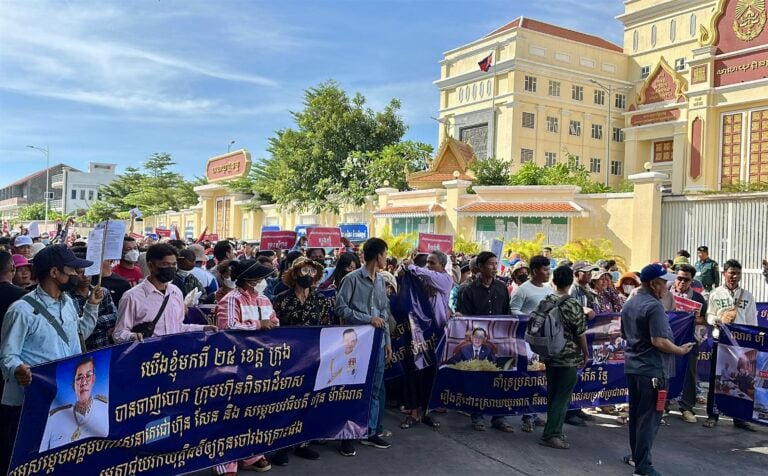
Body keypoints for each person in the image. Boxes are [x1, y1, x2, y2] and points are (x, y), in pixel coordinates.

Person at [0, 245, 102, 475]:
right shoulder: (21, 310)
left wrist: (92, 306)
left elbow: (77, 336)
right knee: (30, 461)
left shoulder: (67, 303)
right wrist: (18, 369)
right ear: (55, 273)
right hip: (32, 402)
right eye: (72, 270)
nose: (78, 275)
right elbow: (8, 354)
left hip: (65, 398)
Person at [621, 263, 694, 476]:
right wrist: (680, 351)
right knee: (649, 419)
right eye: (664, 283)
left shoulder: (630, 303)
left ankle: (637, 457)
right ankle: (643, 466)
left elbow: (625, 335)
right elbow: (659, 341)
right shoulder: (654, 306)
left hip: (634, 367)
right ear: (654, 284)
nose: (666, 287)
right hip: (652, 370)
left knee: (637, 415)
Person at [213, 259, 276, 475]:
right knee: (230, 413)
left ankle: (251, 455)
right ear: (249, 280)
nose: (263, 282)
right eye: (259, 278)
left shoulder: (265, 300)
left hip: (260, 365)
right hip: (234, 365)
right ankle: (225, 462)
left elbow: (275, 324)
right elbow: (227, 328)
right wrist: (258, 325)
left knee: (255, 411)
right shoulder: (232, 299)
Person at [335, 237, 392, 456]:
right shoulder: (351, 279)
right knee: (351, 390)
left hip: (377, 344)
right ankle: (346, 436)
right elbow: (341, 308)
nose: (386, 258)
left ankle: (369, 433)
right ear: (377, 255)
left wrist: (387, 342)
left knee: (374, 389)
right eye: (385, 254)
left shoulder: (381, 281)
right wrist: (367, 318)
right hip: (354, 344)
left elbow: (384, 314)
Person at [457, 252, 514, 432]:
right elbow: (464, 318)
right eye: (490, 264)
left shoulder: (502, 288)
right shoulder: (468, 290)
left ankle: (499, 417)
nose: (494, 267)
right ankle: (477, 416)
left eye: (496, 264)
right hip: (478, 343)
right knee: (479, 379)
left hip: (499, 342)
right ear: (480, 267)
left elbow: (507, 314)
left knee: (500, 379)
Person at [113, 244, 216, 343]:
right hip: (145, 357)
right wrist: (132, 336)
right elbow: (118, 333)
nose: (171, 268)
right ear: (151, 266)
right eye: (165, 264)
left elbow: (178, 327)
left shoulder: (176, 292)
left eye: (174, 264)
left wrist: (203, 328)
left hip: (170, 357)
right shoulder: (132, 297)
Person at [397, 250, 452, 430]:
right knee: (414, 372)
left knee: (431, 374)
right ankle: (413, 413)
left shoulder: (445, 280)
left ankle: (426, 412)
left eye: (432, 262)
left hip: (436, 335)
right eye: (427, 262)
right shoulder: (422, 279)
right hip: (418, 334)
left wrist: (411, 267)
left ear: (442, 266)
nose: (428, 266)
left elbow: (425, 274)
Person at [704, 259, 758, 431]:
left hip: (741, 344)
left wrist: (752, 340)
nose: (734, 276)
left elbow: (752, 321)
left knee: (742, 382)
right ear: (724, 273)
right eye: (731, 272)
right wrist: (715, 320)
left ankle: (740, 418)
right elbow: (709, 314)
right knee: (717, 379)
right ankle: (713, 415)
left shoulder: (748, 296)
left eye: (737, 273)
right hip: (721, 341)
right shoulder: (715, 293)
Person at [540, 266, 589, 450]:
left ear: (554, 281)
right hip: (567, 356)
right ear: (570, 282)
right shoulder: (573, 304)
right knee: (562, 396)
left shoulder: (547, 299)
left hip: (549, 353)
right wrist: (585, 352)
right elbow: (580, 332)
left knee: (553, 394)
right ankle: (551, 434)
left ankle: (554, 429)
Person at [509, 255, 552, 433]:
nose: (548, 273)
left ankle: (534, 413)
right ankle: (526, 415)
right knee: (528, 378)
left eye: (549, 269)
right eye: (545, 269)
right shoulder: (522, 290)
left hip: (544, 341)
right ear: (535, 271)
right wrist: (531, 318)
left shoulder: (549, 289)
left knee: (541, 377)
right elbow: (513, 309)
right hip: (526, 342)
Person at [39, 356, 109, 451]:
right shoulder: (54, 417)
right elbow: (42, 455)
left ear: (93, 379)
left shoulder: (106, 408)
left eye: (88, 376)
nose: (83, 382)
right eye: (79, 378)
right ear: (73, 385)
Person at [668, 264, 707, 424]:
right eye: (679, 278)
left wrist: (699, 320)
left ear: (692, 281)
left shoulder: (698, 299)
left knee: (689, 374)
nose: (682, 282)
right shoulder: (665, 293)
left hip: (690, 341)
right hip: (667, 341)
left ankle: (687, 408)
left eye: (686, 279)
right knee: (665, 373)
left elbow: (704, 323)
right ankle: (662, 405)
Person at [273, 257, 332, 327]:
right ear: (295, 275)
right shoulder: (281, 299)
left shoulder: (321, 299)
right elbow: (275, 326)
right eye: (305, 270)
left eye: (313, 271)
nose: (309, 274)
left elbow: (325, 326)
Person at [72, 266, 117, 351]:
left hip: (104, 346)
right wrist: (90, 324)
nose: (85, 276)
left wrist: (92, 322)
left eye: (88, 271)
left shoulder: (102, 292)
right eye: (80, 272)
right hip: (83, 351)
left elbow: (115, 316)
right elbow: (76, 328)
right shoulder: (68, 299)